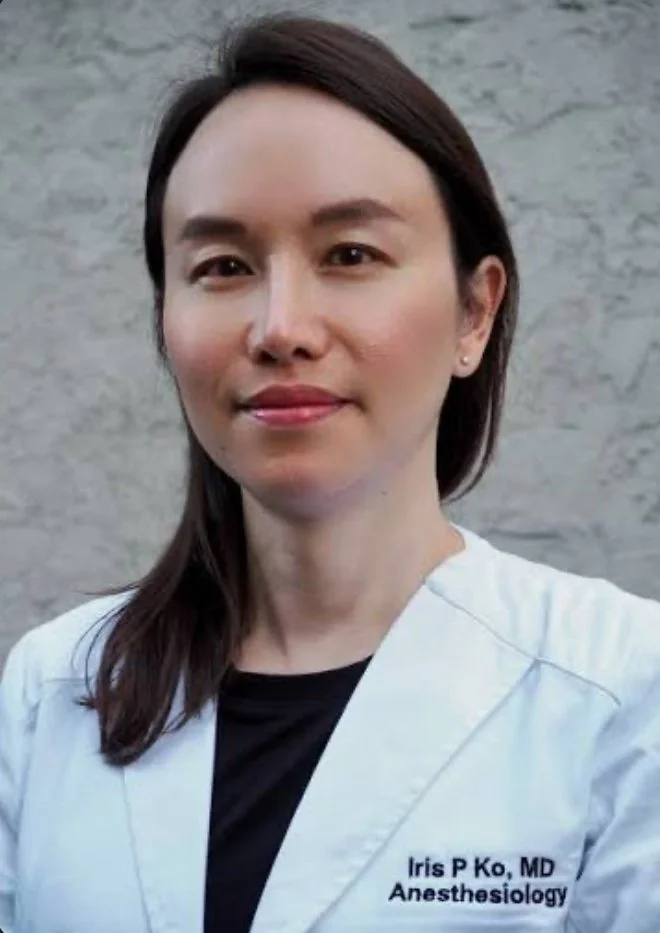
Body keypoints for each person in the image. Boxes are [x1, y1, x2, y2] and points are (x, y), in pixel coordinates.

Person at [1, 12, 659, 933]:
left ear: (475, 313)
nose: (281, 327)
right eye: (222, 265)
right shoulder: (51, 691)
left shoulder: (623, 689)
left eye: (351, 254)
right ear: (166, 319)